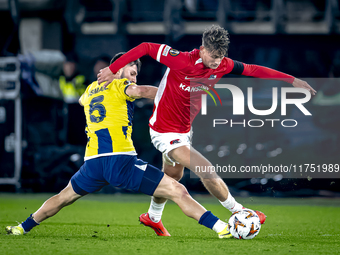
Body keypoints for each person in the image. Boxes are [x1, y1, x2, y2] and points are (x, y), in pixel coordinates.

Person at [97, 25, 317, 236]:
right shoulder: (179, 58)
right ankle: (240, 211)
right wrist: (112, 69)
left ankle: (153, 217)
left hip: (183, 131)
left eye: (220, 57)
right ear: (202, 49)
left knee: (173, 177)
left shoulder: (223, 64)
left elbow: (253, 69)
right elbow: (145, 46)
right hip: (164, 131)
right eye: (213, 56)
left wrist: (291, 80)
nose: (216, 62)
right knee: (205, 168)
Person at [5, 53, 234, 239]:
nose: (133, 78)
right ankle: (222, 227)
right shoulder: (120, 85)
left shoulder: (88, 91)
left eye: (135, 75)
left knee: (63, 197)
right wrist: (174, 96)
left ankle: (22, 227)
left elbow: (85, 101)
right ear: (119, 69)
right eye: (132, 73)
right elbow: (142, 91)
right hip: (120, 160)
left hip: (93, 163)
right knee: (178, 190)